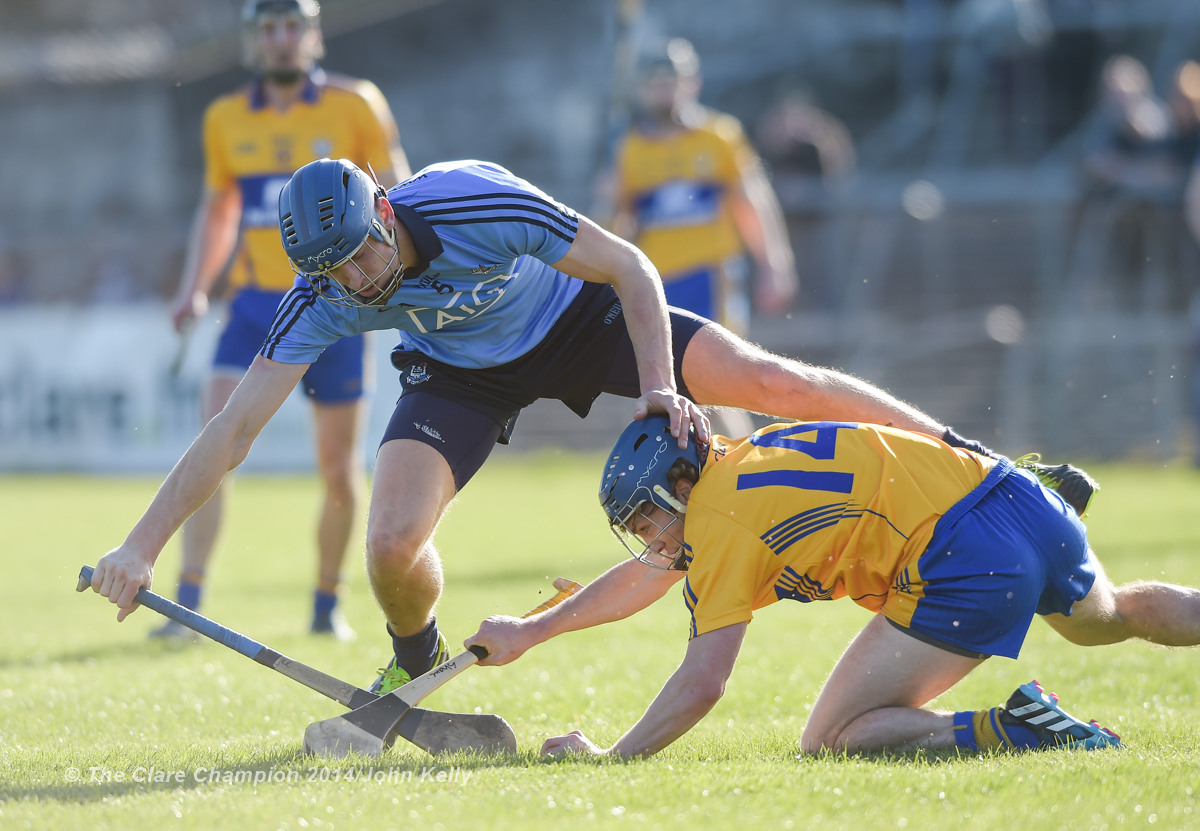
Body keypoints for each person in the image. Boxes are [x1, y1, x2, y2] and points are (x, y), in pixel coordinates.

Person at [88, 155, 1089, 700]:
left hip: (579, 316)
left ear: (385, 210)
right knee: (391, 542)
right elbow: (232, 428)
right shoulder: (325, 297)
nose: (358, 280)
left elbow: (632, 269)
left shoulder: (476, 201)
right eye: (334, 272)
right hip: (456, 373)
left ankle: (983, 464)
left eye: (360, 255)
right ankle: (411, 654)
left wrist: (660, 386)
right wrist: (141, 545)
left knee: (770, 378)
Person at [468, 415, 1200, 758]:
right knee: (1115, 614)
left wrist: (610, 761)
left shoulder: (721, 519)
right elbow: (648, 576)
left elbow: (702, 682)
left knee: (832, 739)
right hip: (1016, 495)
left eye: (650, 514)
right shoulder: (740, 460)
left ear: (682, 481)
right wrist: (534, 629)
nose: (651, 536)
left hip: (968, 554)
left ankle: (1017, 729)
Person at [157, 0, 410, 641]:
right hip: (249, 308)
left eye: (292, 26)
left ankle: (328, 605)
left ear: (313, 35)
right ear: (253, 41)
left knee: (336, 467)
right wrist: (195, 288)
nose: (281, 39)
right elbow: (219, 211)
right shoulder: (224, 119)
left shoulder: (357, 106)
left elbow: (396, 197)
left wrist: (398, 283)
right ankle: (188, 605)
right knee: (214, 439)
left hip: (337, 306)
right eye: (268, 29)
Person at [608, 38, 800, 435]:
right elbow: (613, 221)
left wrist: (774, 263)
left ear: (691, 83)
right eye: (655, 82)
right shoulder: (629, 151)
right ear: (642, 89)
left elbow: (753, 201)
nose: (665, 90)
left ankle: (747, 471)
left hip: (711, 276)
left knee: (722, 381)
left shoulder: (719, 137)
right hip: (655, 286)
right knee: (666, 387)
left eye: (672, 80)